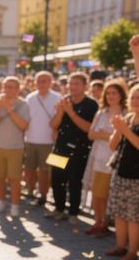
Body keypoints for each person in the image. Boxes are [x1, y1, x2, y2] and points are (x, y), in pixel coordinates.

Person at [46, 72, 98, 225]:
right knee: (56, 180)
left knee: (75, 181)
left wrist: (71, 113)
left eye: (77, 84)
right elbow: (53, 125)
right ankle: (59, 209)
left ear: (84, 86)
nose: (73, 87)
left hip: (80, 149)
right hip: (60, 147)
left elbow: (88, 128)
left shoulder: (91, 104)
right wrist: (61, 111)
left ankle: (73, 212)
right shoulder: (64, 100)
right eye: (71, 83)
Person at [83, 80, 127, 237]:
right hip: (100, 158)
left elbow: (125, 137)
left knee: (112, 194)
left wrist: (103, 134)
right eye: (108, 93)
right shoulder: (101, 112)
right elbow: (91, 134)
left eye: (114, 93)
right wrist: (110, 135)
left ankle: (110, 223)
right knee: (98, 193)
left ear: (121, 95)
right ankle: (98, 221)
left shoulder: (126, 113)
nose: (110, 96)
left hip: (118, 160)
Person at [0, 76, 30, 217]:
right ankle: (0, 202)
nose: (9, 90)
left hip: (15, 147)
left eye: (12, 87)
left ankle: (15, 206)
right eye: (6, 87)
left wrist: (9, 109)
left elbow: (23, 125)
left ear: (18, 89)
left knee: (14, 178)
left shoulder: (24, 104)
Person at [105, 84, 139, 260]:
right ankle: (120, 245)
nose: (135, 101)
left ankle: (132, 251)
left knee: (133, 216)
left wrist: (124, 130)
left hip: (137, 177)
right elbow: (112, 146)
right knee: (119, 212)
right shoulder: (128, 118)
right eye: (133, 97)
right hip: (121, 172)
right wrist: (118, 130)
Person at [24, 71, 60, 207]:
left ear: (50, 82)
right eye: (39, 81)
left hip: (49, 141)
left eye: (44, 81)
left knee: (45, 170)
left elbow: (60, 119)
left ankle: (44, 195)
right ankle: (30, 191)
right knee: (29, 169)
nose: (41, 84)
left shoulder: (57, 98)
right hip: (30, 139)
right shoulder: (30, 97)